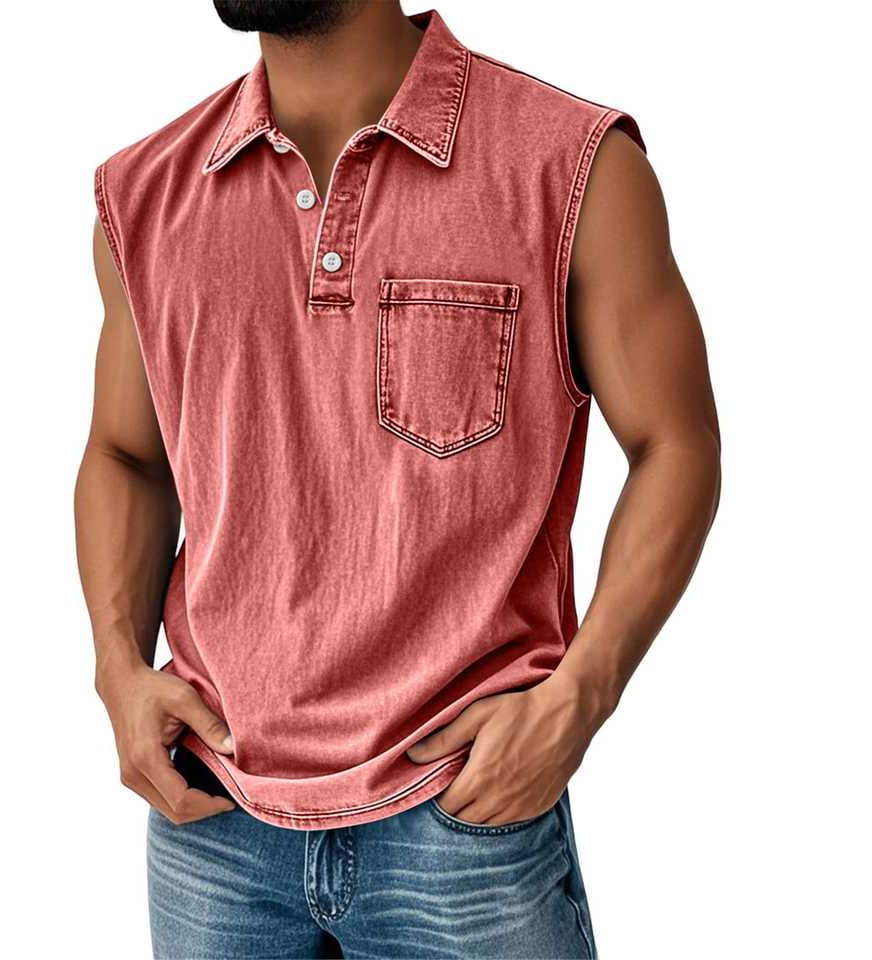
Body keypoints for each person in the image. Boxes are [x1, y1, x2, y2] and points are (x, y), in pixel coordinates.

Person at [74, 2, 720, 957]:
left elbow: (676, 445)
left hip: (463, 812)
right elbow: (125, 455)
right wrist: (118, 673)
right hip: (213, 815)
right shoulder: (145, 192)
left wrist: (582, 695)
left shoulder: (571, 164)